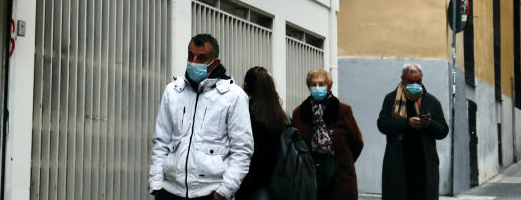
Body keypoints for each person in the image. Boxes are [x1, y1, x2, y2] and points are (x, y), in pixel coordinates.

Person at [149, 34, 254, 199]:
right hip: (170, 192)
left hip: (210, 192)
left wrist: (224, 192)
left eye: (201, 58)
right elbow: (161, 140)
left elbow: (242, 150)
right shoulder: (173, 91)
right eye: (191, 55)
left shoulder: (233, 96)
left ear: (215, 63)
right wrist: (156, 185)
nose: (194, 61)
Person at [377, 62, 448, 200]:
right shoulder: (391, 99)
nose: (416, 85)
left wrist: (429, 124)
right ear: (402, 79)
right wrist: (407, 123)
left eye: (419, 81)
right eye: (411, 81)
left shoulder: (431, 101)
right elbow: (382, 124)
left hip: (424, 166)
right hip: (398, 164)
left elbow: (443, 130)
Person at [291, 68, 363, 200]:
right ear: (308, 87)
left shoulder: (343, 110)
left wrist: (344, 162)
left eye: (321, 84)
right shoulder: (299, 113)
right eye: (313, 84)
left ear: (329, 86)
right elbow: (295, 145)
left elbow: (357, 142)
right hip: (310, 178)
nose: (317, 87)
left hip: (340, 178)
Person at [236, 67, 288, 200]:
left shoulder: (244, 113)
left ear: (245, 86)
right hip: (271, 182)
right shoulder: (281, 116)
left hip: (244, 183)